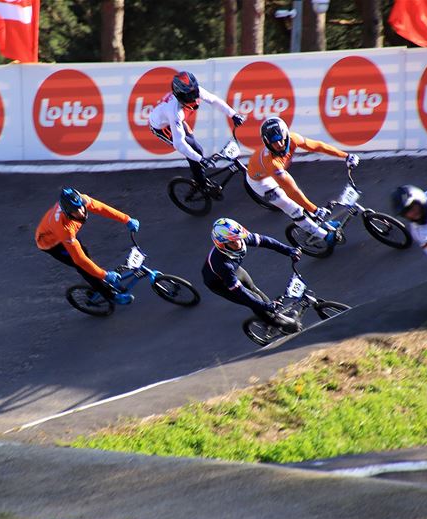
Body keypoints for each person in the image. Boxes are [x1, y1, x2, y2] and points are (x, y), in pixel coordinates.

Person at [246, 117, 360, 245]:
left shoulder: (293, 138)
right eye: (273, 143)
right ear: (267, 143)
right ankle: (324, 236)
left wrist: (346, 156)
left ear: (286, 136)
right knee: (294, 208)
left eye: (280, 140)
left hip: (272, 172)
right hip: (261, 183)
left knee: (304, 203)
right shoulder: (272, 163)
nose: (278, 145)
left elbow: (318, 146)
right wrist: (314, 209)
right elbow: (292, 191)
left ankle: (319, 222)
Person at [36, 187, 140, 305]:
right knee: (83, 267)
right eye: (75, 211)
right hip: (53, 244)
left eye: (80, 207)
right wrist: (104, 275)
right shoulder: (64, 229)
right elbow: (80, 260)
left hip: (68, 234)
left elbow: (102, 208)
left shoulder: (82, 201)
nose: (81, 212)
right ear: (67, 212)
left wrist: (127, 219)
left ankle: (98, 286)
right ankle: (111, 296)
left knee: (86, 256)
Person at [148, 71, 246, 192]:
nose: (194, 97)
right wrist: (200, 159)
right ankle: (201, 184)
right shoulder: (175, 112)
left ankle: (197, 175)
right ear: (181, 95)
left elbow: (214, 100)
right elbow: (179, 144)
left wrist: (233, 114)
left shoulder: (194, 90)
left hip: (173, 120)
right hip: (162, 127)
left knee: (196, 149)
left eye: (195, 92)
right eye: (190, 95)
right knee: (195, 150)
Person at [202, 217, 302, 331]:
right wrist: (265, 306)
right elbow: (242, 293)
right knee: (255, 300)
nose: (238, 243)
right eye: (232, 242)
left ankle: (272, 313)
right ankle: (273, 323)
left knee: (255, 290)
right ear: (222, 244)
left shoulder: (239, 237)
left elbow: (265, 241)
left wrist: (288, 250)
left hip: (234, 270)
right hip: (220, 282)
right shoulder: (223, 264)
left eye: (239, 238)